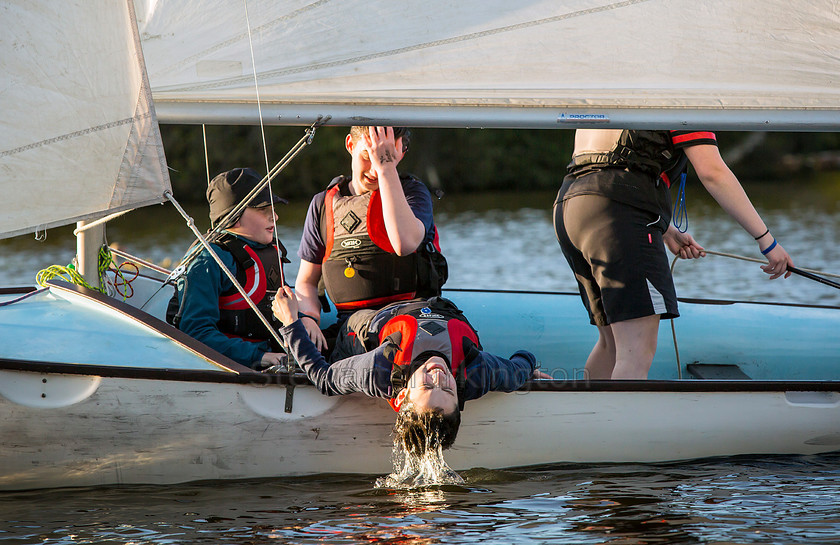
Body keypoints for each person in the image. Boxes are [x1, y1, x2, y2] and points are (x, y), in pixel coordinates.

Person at [553, 129, 794, 380]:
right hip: (619, 211)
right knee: (635, 353)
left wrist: (665, 228)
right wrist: (767, 242)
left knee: (610, 345)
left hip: (571, 205)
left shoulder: (620, 90)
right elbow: (713, 173)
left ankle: (592, 418)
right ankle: (622, 420)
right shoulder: (683, 97)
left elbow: (607, 163)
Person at [272, 287, 547, 455]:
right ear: (461, 393)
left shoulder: (378, 370)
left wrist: (291, 321)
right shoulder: (477, 373)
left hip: (365, 328)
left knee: (348, 340)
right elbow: (522, 363)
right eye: (448, 388)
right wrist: (528, 370)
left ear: (402, 396)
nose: (439, 375)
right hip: (428, 303)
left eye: (428, 386)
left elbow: (322, 378)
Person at [294, 126, 446, 354]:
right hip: (355, 329)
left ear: (401, 153)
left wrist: (387, 169)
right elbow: (306, 282)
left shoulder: (413, 194)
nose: (375, 169)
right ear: (350, 145)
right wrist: (308, 317)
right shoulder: (321, 206)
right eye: (368, 156)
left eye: (387, 157)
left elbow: (404, 244)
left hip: (411, 320)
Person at [167, 167, 291, 369]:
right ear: (234, 215)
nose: (274, 217)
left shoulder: (270, 250)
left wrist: (305, 322)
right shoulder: (207, 260)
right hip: (239, 364)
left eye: (273, 209)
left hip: (276, 353)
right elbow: (196, 333)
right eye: (263, 210)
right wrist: (261, 357)